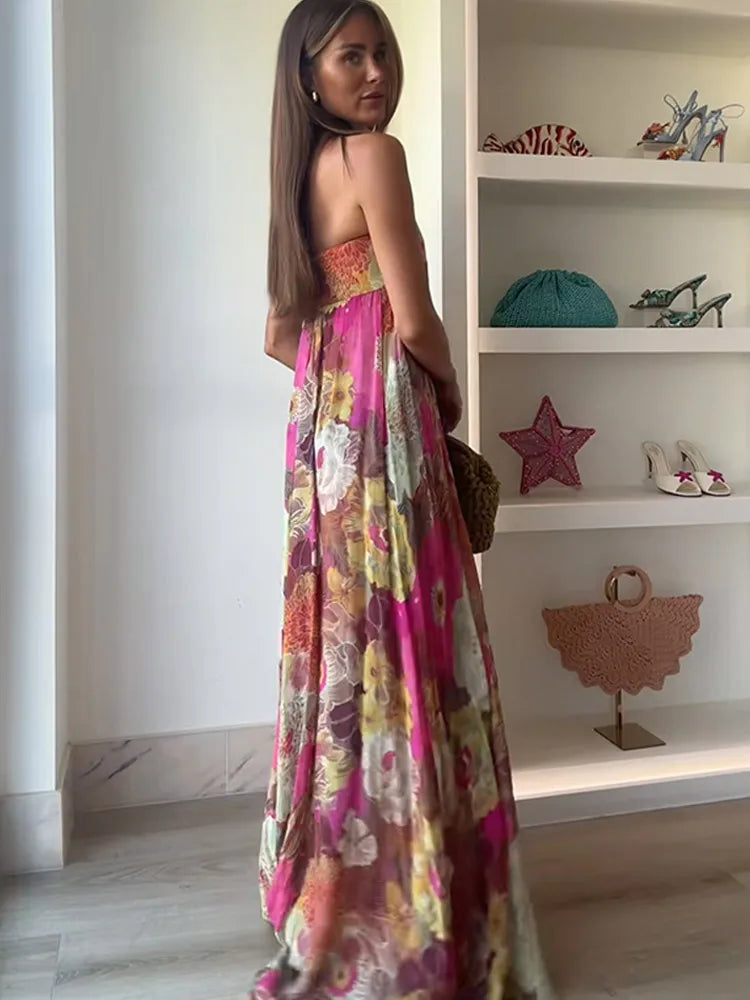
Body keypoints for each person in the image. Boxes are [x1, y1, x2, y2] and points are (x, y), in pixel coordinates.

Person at [256, 1, 554, 997]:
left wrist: (339, 372)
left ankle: (340, 880)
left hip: (324, 447)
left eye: (382, 52)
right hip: (385, 435)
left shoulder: (298, 177)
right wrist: (448, 393)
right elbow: (418, 319)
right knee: (411, 636)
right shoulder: (373, 155)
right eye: (353, 55)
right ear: (310, 72)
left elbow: (278, 334)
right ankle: (422, 891)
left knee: (346, 644)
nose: (376, 70)